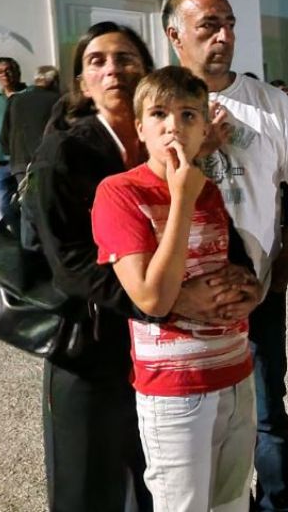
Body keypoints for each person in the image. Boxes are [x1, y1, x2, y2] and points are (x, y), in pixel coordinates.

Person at [25, 22, 238, 511]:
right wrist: (164, 302)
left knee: (160, 480)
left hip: (164, 347)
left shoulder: (166, 142)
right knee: (90, 481)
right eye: (96, 61)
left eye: (125, 58)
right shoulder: (65, 151)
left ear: (146, 73)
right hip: (94, 341)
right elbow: (68, 263)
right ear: (82, 83)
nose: (112, 69)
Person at [164, 0, 288, 512]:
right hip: (178, 301)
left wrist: (279, 275)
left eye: (229, 23)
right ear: (175, 36)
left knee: (266, 414)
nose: (224, 36)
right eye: (209, 25)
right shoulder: (160, 105)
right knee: (189, 422)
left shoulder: (271, 105)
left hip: (257, 293)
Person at [92, 67, 261, 512]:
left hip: (235, 373)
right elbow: (152, 298)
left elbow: (229, 266)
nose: (173, 126)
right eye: (159, 114)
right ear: (140, 127)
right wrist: (181, 197)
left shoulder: (211, 191)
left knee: (232, 503)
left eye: (188, 115)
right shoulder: (120, 192)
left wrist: (251, 291)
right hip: (176, 390)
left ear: (205, 127)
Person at [0, 65, 60, 184]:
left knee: (26, 195)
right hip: (47, 163)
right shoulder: (57, 100)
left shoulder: (15, 100)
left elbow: (4, 137)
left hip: (20, 164)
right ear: (55, 81)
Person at [0, 56, 26, 217]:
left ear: (17, 72)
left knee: (29, 204)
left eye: (7, 70)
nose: (4, 75)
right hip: (2, 163)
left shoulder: (28, 95)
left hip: (24, 161)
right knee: (4, 205)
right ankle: (18, 231)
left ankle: (28, 232)